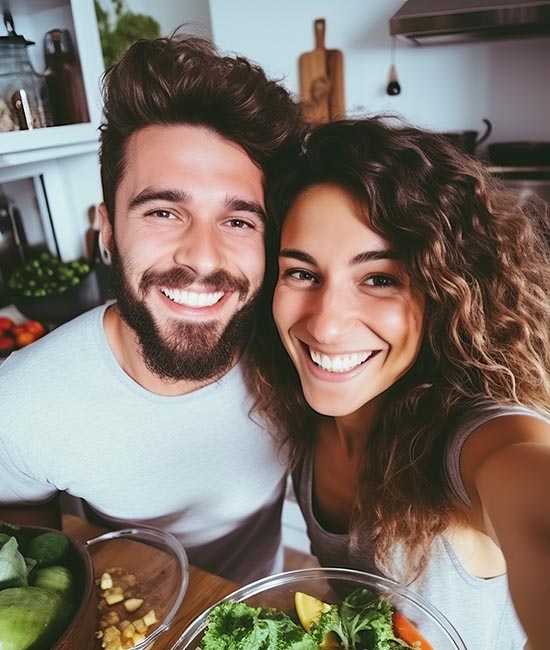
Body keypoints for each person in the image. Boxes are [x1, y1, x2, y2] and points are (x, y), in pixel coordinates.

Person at [0, 31, 303, 584]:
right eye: (163, 212)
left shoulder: (298, 354)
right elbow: (24, 558)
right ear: (108, 229)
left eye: (238, 221)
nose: (202, 258)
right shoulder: (22, 403)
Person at [256, 117, 550, 648]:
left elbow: (529, 485)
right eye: (301, 272)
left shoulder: (469, 436)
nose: (325, 324)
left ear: (445, 293)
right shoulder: (297, 404)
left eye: (380, 279)